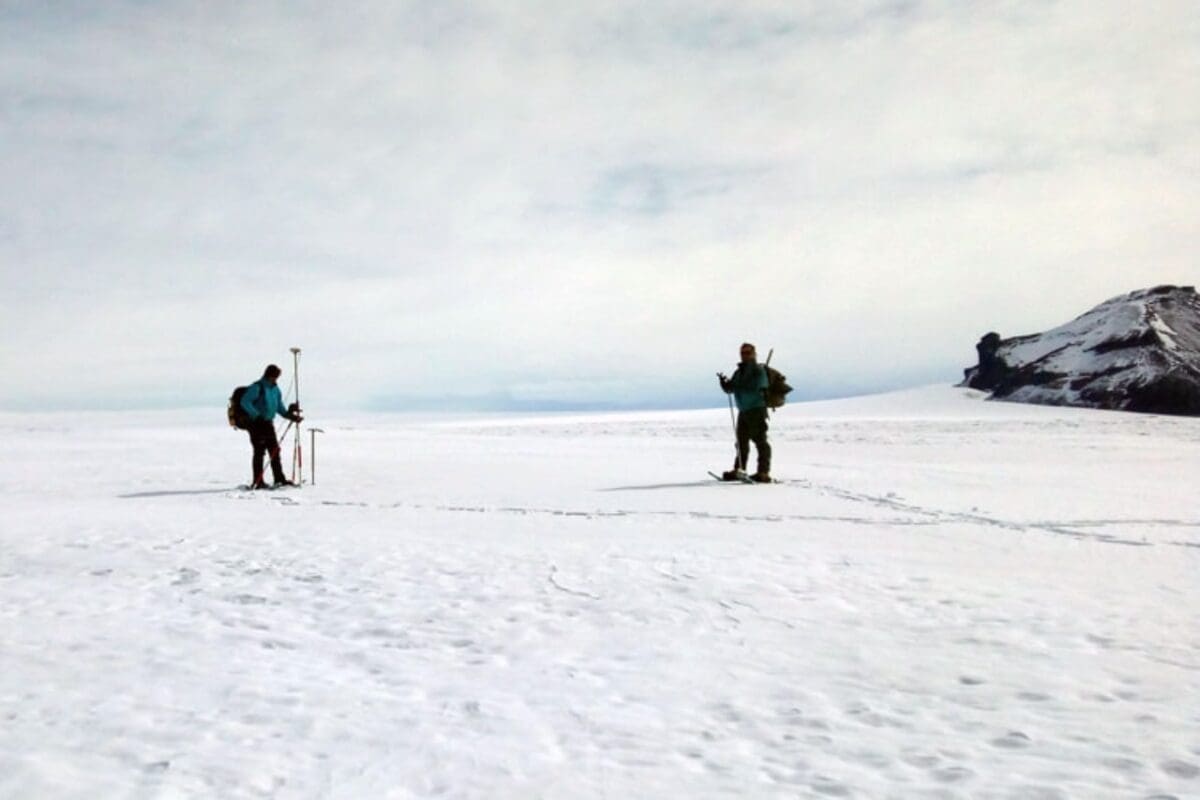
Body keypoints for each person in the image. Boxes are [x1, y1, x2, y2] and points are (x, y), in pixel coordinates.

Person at [240, 364, 303, 489]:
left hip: (268, 423)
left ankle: (279, 479)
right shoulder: (257, 387)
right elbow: (244, 402)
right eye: (274, 376)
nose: (276, 379)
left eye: (277, 377)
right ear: (268, 375)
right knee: (259, 452)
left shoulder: (275, 389)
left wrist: (290, 416)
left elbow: (279, 407)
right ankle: (258, 481)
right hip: (256, 424)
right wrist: (256, 416)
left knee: (274, 450)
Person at [717, 342, 772, 482]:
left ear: (754, 354)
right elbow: (731, 389)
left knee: (760, 440)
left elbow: (758, 386)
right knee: (741, 442)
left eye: (748, 352)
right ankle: (739, 469)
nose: (745, 355)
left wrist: (736, 386)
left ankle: (763, 472)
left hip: (756, 409)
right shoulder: (739, 372)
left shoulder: (759, 370)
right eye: (743, 353)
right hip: (744, 410)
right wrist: (725, 384)